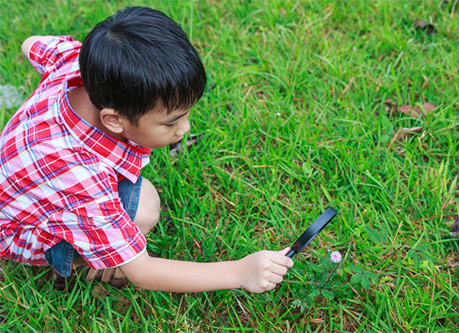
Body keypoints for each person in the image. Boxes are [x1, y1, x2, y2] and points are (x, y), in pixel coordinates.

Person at [0, 6, 293, 293]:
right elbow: (144, 272)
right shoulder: (81, 175)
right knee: (145, 206)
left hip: (25, 192)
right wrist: (238, 273)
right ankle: (92, 267)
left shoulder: (73, 63)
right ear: (114, 120)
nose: (185, 128)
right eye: (171, 122)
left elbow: (32, 44)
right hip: (23, 234)